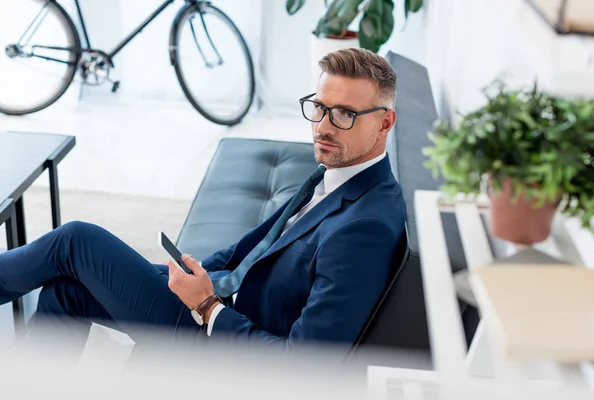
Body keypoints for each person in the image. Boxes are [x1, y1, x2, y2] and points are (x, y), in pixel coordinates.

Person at [0, 48, 406, 354]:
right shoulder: (337, 173)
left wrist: (208, 305)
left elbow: (307, 362)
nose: (322, 126)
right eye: (319, 107)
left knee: (75, 241)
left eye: (344, 115)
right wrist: (172, 275)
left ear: (385, 121)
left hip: (221, 344)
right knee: (65, 289)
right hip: (216, 301)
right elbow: (253, 248)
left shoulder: (363, 228)